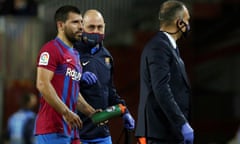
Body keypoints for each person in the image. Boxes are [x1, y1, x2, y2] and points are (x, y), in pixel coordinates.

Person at [35, 5, 96, 144]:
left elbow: (74, 92)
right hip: (52, 128)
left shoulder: (75, 55)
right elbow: (42, 84)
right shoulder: (51, 49)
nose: (81, 27)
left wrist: (91, 112)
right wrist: (66, 112)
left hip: (71, 129)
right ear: (61, 25)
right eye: (75, 22)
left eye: (81, 22)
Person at [135, 0, 194, 144]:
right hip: (160, 134)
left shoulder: (168, 47)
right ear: (179, 23)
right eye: (187, 21)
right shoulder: (159, 47)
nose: (188, 25)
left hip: (167, 132)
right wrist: (181, 123)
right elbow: (161, 88)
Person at [74, 9, 135, 144]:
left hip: (102, 135)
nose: (96, 31)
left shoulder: (107, 57)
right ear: (82, 27)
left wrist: (124, 111)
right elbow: (60, 87)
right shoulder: (71, 53)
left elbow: (110, 91)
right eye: (91, 27)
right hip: (77, 135)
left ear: (105, 28)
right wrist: (77, 76)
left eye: (100, 27)